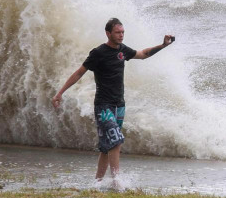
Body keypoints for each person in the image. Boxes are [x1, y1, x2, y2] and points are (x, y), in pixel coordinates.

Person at [52, 17, 174, 187]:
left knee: (106, 146)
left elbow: (143, 54)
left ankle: (97, 182)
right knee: (115, 140)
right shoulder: (98, 53)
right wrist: (60, 93)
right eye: (117, 32)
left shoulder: (123, 51)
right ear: (108, 33)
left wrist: (162, 46)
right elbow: (79, 72)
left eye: (123, 32)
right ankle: (117, 180)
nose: (121, 35)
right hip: (103, 105)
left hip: (119, 105)